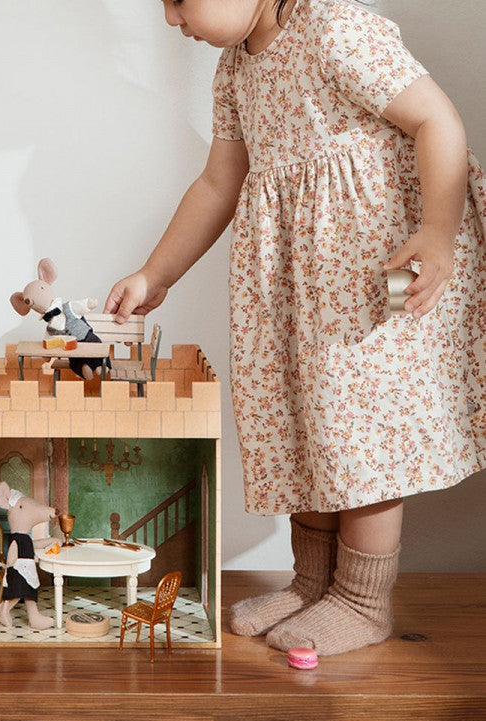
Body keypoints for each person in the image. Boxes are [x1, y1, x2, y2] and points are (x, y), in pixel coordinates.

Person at [105, 0, 486, 656]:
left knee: (356, 427)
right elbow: (218, 182)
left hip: (371, 269)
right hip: (292, 282)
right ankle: (313, 581)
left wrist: (437, 232)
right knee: (297, 420)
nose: (171, 18)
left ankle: (362, 600)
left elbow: (436, 119)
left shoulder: (333, 30)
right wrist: (156, 272)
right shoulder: (234, 70)